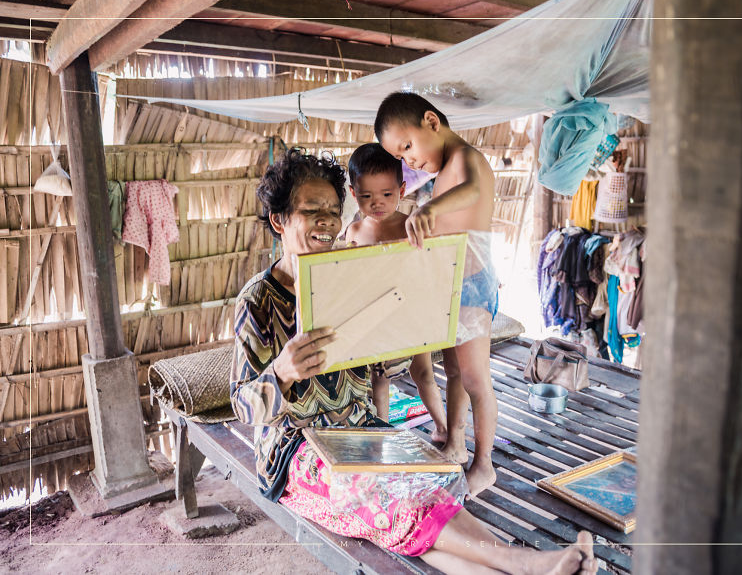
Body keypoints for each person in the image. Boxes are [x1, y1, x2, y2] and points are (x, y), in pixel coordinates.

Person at [231, 148, 598, 574]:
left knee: (437, 477)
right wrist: (282, 372)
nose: (328, 221)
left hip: (361, 432)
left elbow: (377, 367)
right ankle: (526, 562)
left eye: (333, 209)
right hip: (297, 451)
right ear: (279, 221)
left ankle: (526, 569)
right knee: (389, 494)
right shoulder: (257, 300)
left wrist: (399, 331)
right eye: (312, 210)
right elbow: (242, 407)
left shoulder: (349, 275)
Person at [375, 92, 499, 497]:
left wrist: (428, 210)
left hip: (472, 287)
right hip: (450, 285)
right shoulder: (442, 172)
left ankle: (484, 465)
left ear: (431, 121)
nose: (408, 161)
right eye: (401, 157)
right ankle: (456, 442)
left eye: (407, 147)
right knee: (455, 374)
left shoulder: (466, 159)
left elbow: (475, 191)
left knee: (476, 379)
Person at [344, 142, 448, 444]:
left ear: (402, 190)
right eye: (366, 196)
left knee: (424, 372)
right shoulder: (353, 233)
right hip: (375, 316)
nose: (377, 203)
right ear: (353, 194)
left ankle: (441, 426)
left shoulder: (409, 227)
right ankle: (382, 439)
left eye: (386, 195)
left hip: (411, 313)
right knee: (380, 377)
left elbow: (428, 268)